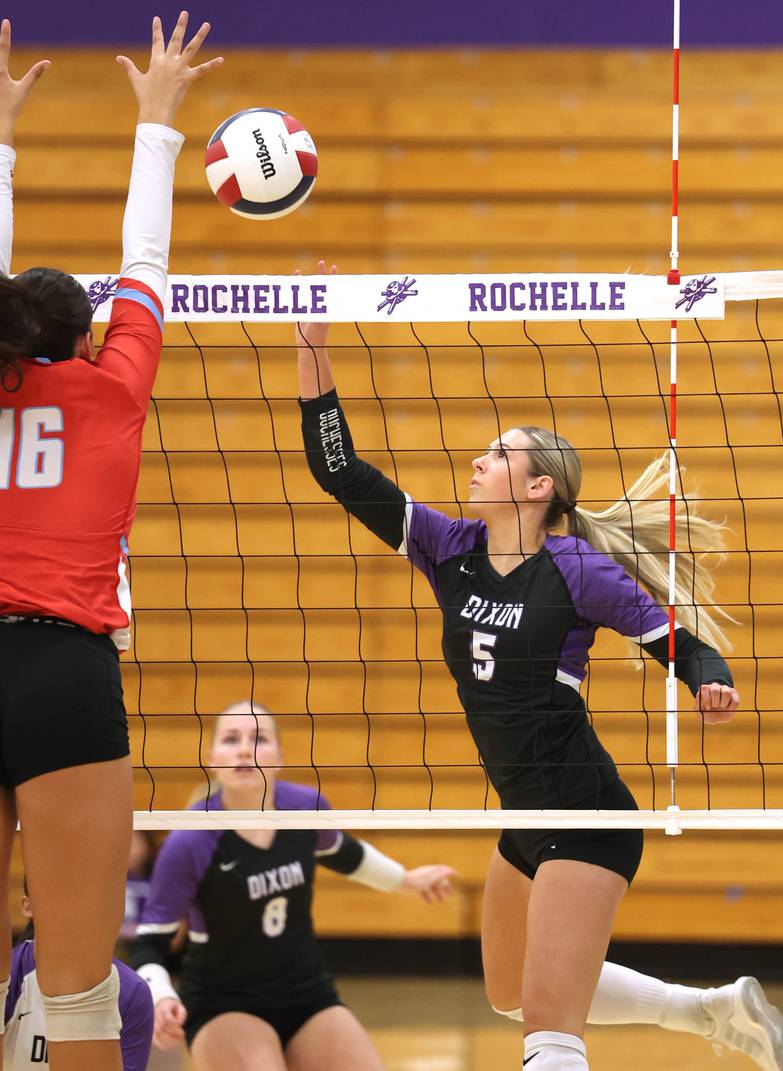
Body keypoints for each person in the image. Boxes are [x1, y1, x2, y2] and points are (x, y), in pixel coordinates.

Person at [293, 262, 783, 1071]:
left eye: (500, 453)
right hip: (527, 810)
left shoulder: (574, 570)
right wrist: (314, 348)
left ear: (537, 487)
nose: (480, 461)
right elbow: (340, 472)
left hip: (585, 810)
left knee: (548, 1032)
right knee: (512, 993)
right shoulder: (448, 547)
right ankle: (710, 1010)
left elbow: (671, 634)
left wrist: (704, 674)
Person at [0, 14, 221, 1070]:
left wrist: (0, 140)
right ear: (85, 336)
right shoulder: (114, 384)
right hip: (62, 673)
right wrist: (156, 119)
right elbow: (147, 257)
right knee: (79, 991)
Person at [128, 702, 457, 1071]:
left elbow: (344, 852)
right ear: (212, 758)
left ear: (280, 757)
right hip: (223, 1005)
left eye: (259, 738)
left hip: (308, 996)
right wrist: (160, 996)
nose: (243, 749)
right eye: (231, 739)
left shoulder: (304, 809)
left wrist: (406, 879)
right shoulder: (191, 840)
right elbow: (148, 945)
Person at [3, 883, 153, 1071]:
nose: (69, 908)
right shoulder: (11, 974)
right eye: (57, 897)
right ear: (28, 906)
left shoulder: (132, 990)